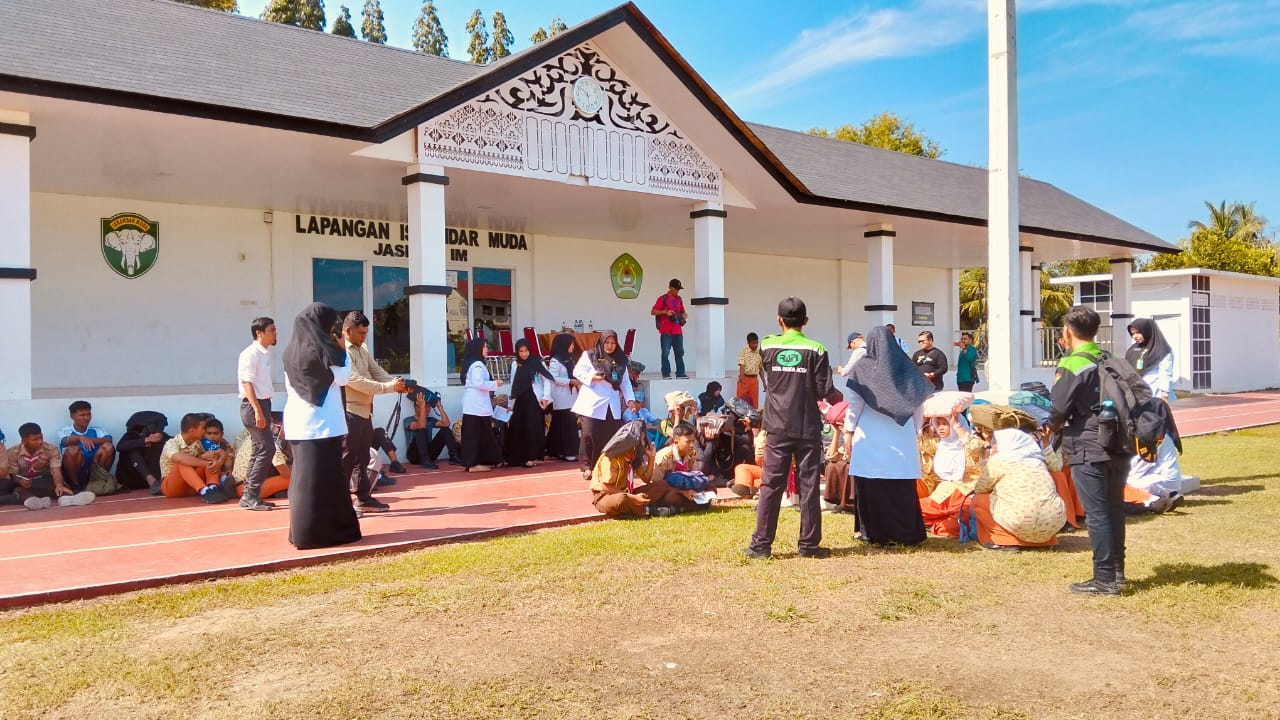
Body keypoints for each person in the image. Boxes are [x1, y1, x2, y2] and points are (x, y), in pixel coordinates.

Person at [745, 297, 842, 560]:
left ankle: (760, 546)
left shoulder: (767, 344)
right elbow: (824, 390)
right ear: (806, 322)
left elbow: (762, 367)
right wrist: (840, 400)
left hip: (776, 425)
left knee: (770, 485)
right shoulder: (817, 349)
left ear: (779, 320)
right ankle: (809, 546)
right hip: (808, 425)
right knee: (809, 485)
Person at [1050, 305, 1126, 596]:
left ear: (1068, 332)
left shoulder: (1071, 364)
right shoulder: (1109, 358)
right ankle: (1117, 572)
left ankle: (1104, 579)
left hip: (1088, 442)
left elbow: (1059, 409)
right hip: (1118, 440)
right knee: (1114, 508)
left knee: (1097, 513)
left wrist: (1051, 430)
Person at [845, 326, 933, 546]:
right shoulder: (907, 368)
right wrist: (913, 430)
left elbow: (854, 407)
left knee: (872, 485)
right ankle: (906, 533)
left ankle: (874, 533)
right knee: (900, 487)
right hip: (901, 434)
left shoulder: (863, 368)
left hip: (870, 435)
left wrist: (848, 432)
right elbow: (919, 405)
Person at [282, 302, 360, 550]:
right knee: (324, 482)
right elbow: (344, 377)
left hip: (299, 423)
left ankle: (303, 532)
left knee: (306, 480)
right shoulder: (323, 351)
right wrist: (342, 349)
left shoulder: (291, 351)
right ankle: (317, 534)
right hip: (321, 424)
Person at [340, 311, 407, 513]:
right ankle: (341, 504)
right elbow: (356, 381)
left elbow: (375, 370)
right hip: (350, 411)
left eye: (366, 333)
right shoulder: (341, 351)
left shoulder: (363, 348)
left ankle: (363, 497)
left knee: (362, 458)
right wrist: (390, 387)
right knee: (347, 460)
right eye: (360, 333)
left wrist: (396, 383)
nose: (364, 337)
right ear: (348, 331)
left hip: (365, 411)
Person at [1123, 318, 1185, 515]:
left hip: (1156, 404)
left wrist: (1164, 397)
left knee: (1162, 442)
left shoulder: (1162, 351)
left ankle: (1171, 486)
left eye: (1138, 332)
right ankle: (1163, 492)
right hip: (1137, 405)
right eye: (1132, 333)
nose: (1135, 336)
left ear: (1149, 331)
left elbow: (1165, 375)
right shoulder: (1132, 351)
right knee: (1143, 445)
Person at [972, 428, 1068, 550]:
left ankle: (1006, 540)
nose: (994, 447)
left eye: (996, 443)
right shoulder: (1039, 462)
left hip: (1020, 520)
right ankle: (1047, 541)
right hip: (1054, 521)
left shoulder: (1000, 462)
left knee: (978, 500)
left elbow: (980, 488)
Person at [571, 330, 635, 478]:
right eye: (607, 342)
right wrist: (592, 377)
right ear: (601, 342)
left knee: (609, 436)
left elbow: (625, 382)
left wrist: (630, 400)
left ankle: (605, 465)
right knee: (589, 435)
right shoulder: (590, 355)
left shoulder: (621, 359)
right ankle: (587, 467)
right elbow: (577, 371)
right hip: (591, 403)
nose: (609, 346)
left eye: (613, 343)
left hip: (611, 404)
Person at [237, 315, 279, 511]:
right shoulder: (251, 354)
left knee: (258, 449)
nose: (275, 333)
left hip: (263, 404)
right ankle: (251, 494)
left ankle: (250, 495)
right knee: (267, 448)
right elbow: (247, 383)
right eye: (271, 330)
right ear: (259, 333)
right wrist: (257, 410)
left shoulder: (263, 354)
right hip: (254, 405)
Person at [5, 423, 95, 510]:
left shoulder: (51, 449)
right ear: (24, 441)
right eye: (35, 439)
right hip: (25, 484)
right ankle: (36, 501)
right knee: (18, 489)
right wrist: (20, 481)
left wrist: (59, 484)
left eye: (41, 437)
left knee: (57, 486)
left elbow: (56, 471)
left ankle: (69, 499)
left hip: (43, 481)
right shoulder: (12, 452)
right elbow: (13, 475)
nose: (40, 441)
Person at [506, 338, 559, 468]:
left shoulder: (537, 362)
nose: (524, 354)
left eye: (526, 351)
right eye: (521, 351)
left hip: (534, 399)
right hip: (519, 399)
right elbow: (513, 383)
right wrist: (510, 403)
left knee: (532, 428)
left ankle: (531, 457)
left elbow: (547, 379)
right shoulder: (515, 364)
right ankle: (517, 457)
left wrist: (546, 397)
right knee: (517, 427)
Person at [159, 413, 230, 503]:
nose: (205, 431)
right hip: (172, 488)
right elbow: (179, 458)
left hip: (192, 486)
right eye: (203, 428)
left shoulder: (200, 442)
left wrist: (219, 462)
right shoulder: (172, 443)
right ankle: (205, 491)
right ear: (192, 430)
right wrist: (204, 462)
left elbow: (221, 452)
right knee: (182, 461)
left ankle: (213, 488)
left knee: (210, 456)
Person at [459, 338, 503, 473]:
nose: (486, 349)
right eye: (484, 347)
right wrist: (495, 383)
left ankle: (481, 460)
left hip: (475, 404)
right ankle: (472, 464)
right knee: (474, 435)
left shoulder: (474, 363)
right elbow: (479, 383)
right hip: (475, 404)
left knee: (479, 434)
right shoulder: (477, 364)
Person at [58, 400, 114, 493]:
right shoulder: (64, 431)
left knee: (108, 447)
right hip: (74, 473)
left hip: (92, 471)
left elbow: (109, 440)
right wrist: (80, 438)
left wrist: (89, 439)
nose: (86, 418)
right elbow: (65, 442)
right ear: (72, 416)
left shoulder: (97, 430)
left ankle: (99, 481)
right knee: (72, 449)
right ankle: (75, 485)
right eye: (82, 415)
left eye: (88, 414)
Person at [231, 418, 291, 501]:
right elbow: (286, 474)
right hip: (249, 488)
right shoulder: (269, 441)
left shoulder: (252, 438)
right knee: (297, 479)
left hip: (242, 487)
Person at [544, 333, 581, 462]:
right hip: (561, 395)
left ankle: (557, 449)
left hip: (571, 394)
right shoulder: (556, 360)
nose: (572, 346)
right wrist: (570, 381)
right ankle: (567, 451)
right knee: (565, 423)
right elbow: (553, 378)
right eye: (571, 344)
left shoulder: (570, 358)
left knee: (565, 423)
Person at [405, 386, 461, 469]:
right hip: (414, 456)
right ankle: (424, 460)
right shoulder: (408, 420)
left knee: (445, 430)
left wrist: (440, 407)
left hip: (430, 455)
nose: (428, 409)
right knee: (421, 431)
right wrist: (422, 406)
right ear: (417, 407)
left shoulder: (430, 420)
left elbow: (446, 423)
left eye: (429, 407)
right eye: (425, 407)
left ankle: (454, 456)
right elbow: (421, 426)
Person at [114, 412, 169, 495]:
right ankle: (151, 480)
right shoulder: (131, 436)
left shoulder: (161, 436)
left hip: (155, 478)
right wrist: (145, 440)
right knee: (133, 449)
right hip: (131, 478)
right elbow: (120, 447)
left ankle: (159, 482)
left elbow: (175, 443)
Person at [651, 278, 688, 379]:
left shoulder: (679, 299)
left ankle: (680, 373)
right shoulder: (662, 298)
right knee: (665, 353)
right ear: (670, 288)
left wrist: (684, 315)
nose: (677, 291)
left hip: (677, 330)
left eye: (678, 289)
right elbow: (653, 311)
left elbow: (683, 311)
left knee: (680, 352)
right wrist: (665, 312)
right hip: (666, 330)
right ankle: (666, 373)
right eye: (675, 289)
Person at [201, 418, 237, 491]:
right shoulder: (200, 444)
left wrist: (228, 469)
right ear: (204, 433)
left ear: (222, 434)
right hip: (204, 472)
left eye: (215, 433)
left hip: (222, 471)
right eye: (209, 433)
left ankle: (223, 481)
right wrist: (203, 456)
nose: (212, 436)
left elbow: (230, 459)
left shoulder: (226, 446)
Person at [736, 333, 765, 408]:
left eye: (757, 343)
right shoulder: (743, 352)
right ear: (748, 343)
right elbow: (742, 366)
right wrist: (742, 379)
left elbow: (760, 369)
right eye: (753, 343)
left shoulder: (759, 353)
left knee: (754, 402)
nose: (755, 345)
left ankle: (753, 418)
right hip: (744, 378)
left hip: (754, 380)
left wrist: (764, 383)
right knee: (741, 402)